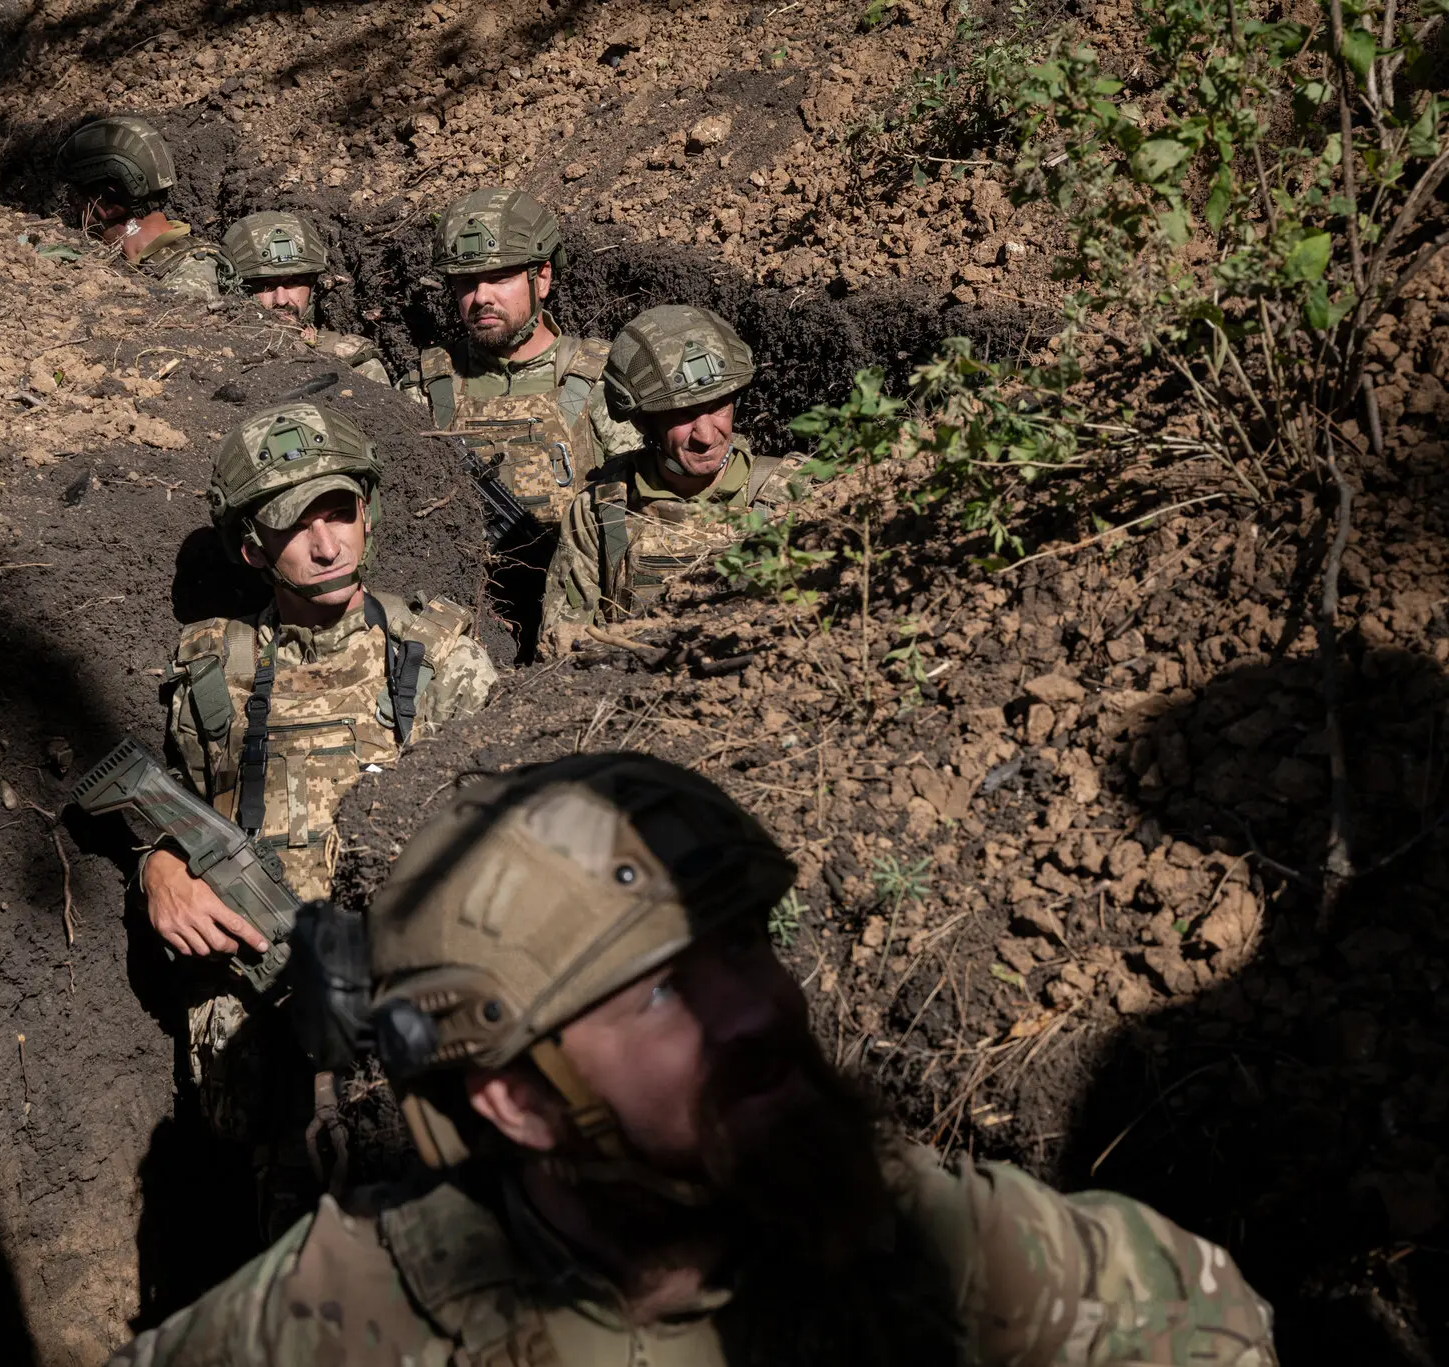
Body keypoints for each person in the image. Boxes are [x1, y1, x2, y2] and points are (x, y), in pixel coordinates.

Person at [110, 752, 1279, 1367]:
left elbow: (1196, 1316)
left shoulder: (922, 1241)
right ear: (514, 1096)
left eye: (746, 945)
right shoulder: (343, 1313)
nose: (760, 1008)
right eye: (663, 992)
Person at [147, 400, 497, 1184]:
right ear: (251, 545)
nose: (328, 543)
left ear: (368, 514)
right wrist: (159, 870)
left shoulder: (438, 658)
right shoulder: (212, 673)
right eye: (297, 524)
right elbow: (182, 813)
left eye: (340, 512)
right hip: (268, 1051)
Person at [542, 304, 803, 653]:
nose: (706, 436)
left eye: (718, 406)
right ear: (643, 422)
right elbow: (561, 650)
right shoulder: (601, 511)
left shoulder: (790, 495)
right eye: (683, 415)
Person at [400, 188, 643, 530]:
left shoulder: (602, 383)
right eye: (466, 282)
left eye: (499, 277)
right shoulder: (426, 388)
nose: (481, 297)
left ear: (542, 278)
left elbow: (646, 510)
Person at [59, 114, 229, 300]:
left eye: (77, 202)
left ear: (106, 207)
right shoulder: (156, 264)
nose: (76, 215)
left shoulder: (189, 282)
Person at [219, 211, 392, 386]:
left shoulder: (350, 358)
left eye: (292, 282)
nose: (281, 300)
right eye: (266, 285)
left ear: (311, 284)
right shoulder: (220, 351)